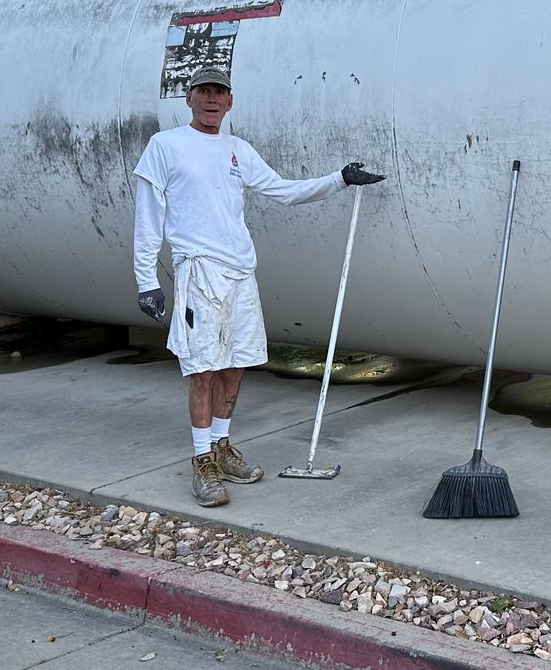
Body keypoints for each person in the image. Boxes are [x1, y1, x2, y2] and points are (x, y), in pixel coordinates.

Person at [132, 67, 384, 506]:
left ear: (230, 102)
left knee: (236, 364)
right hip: (199, 272)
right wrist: (146, 282)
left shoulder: (238, 150)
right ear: (188, 98)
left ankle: (223, 446)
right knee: (203, 369)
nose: (212, 100)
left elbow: (283, 191)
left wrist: (339, 179)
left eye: (220, 93)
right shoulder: (165, 147)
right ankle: (202, 461)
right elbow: (148, 220)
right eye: (203, 91)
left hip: (240, 272)